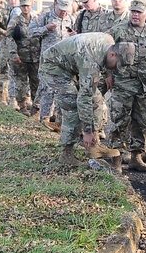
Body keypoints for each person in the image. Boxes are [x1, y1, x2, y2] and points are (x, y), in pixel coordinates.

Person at [38, 33, 133, 168]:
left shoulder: (109, 42)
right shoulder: (91, 62)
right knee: (72, 104)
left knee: (97, 100)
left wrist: (109, 73)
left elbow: (92, 95)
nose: (115, 69)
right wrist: (87, 131)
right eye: (117, 65)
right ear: (112, 54)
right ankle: (67, 154)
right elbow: (84, 98)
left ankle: (94, 145)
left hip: (71, 65)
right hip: (53, 67)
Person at [108, 0, 146, 172]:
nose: (135, 15)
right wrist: (108, 74)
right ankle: (117, 160)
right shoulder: (117, 31)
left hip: (144, 86)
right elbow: (106, 51)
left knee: (142, 121)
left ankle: (136, 157)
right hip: (122, 84)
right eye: (133, 11)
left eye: (139, 12)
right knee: (120, 121)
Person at [7, 0, 41, 114]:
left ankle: (36, 108)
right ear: (20, 7)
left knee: (36, 82)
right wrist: (14, 54)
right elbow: (9, 38)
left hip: (35, 57)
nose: (25, 8)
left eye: (27, 6)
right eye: (23, 6)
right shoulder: (15, 20)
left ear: (31, 6)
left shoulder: (36, 19)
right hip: (21, 57)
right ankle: (22, 106)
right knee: (21, 83)